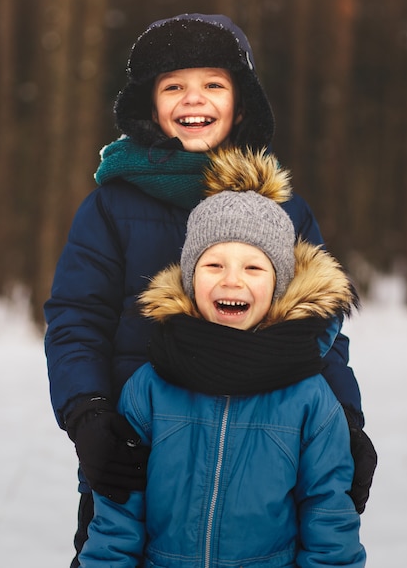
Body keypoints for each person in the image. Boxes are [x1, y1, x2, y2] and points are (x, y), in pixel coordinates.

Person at [44, 14, 376, 566]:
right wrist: (90, 414)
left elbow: (318, 326)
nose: (192, 99)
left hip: (262, 458)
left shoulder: (283, 210)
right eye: (173, 85)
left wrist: (345, 420)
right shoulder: (111, 205)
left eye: (213, 85)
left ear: (241, 104)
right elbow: (77, 319)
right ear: (149, 105)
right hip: (138, 451)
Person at [78, 148, 367, 568]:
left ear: (280, 285)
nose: (232, 280)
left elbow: (330, 528)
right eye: (214, 264)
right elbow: (116, 522)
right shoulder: (150, 387)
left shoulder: (310, 400)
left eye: (254, 268)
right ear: (191, 279)